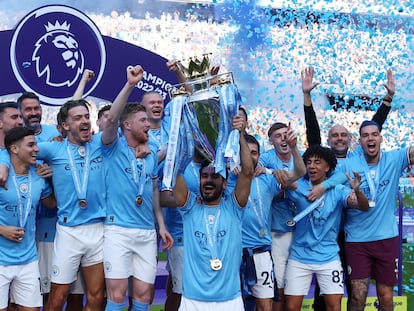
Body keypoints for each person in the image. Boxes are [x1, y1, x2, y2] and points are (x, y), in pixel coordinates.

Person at [301, 66, 395, 310]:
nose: (340, 138)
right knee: (326, 288)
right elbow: (313, 133)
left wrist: (387, 100)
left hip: (354, 231)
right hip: (328, 231)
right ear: (329, 140)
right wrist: (307, 98)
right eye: (335, 136)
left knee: (356, 289)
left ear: (352, 140)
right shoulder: (322, 160)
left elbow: (374, 126)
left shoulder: (357, 157)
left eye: (344, 135)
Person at [101, 65, 173, 311]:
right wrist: (130, 85)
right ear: (127, 125)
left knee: (144, 295)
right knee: (117, 296)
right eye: (143, 120)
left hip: (146, 233)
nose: (148, 125)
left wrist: (161, 226)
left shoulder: (150, 154)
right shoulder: (112, 147)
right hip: (118, 231)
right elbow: (110, 119)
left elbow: (153, 191)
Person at [173, 114, 253, 310]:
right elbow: (174, 170)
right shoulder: (189, 208)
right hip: (193, 301)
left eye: (215, 176)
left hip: (229, 301)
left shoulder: (233, 207)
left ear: (225, 183)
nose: (208, 180)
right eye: (204, 176)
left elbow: (248, 172)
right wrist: (180, 126)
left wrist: (240, 135)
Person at [36, 99, 106, 311]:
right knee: (57, 298)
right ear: (65, 126)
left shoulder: (101, 143)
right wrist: (37, 174)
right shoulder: (53, 148)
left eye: (86, 116)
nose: (84, 121)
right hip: (68, 231)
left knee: (96, 298)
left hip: (98, 229)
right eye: (77, 118)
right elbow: (18, 150)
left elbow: (119, 127)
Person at [283, 145, 370, 311]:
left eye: (317, 162)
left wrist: (357, 191)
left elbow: (363, 206)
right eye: (308, 162)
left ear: (327, 167)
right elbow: (282, 189)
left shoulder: (338, 190)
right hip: (299, 257)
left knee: (334, 307)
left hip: (328, 257)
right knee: (292, 307)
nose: (312, 166)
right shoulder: (299, 186)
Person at [340, 120, 414, 311]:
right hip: (357, 240)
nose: (370, 138)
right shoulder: (348, 165)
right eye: (365, 135)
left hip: (386, 238)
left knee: (386, 297)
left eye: (374, 134)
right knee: (357, 296)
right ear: (360, 141)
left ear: (381, 138)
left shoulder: (395, 158)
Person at [239, 131, 306, 311]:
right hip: (234, 252)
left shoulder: (268, 179)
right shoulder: (228, 178)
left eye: (254, 152)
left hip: (261, 251)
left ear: (259, 156)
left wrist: (293, 147)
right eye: (245, 151)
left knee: (265, 306)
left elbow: (299, 172)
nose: (250, 156)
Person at [0, 126, 56, 310]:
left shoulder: (39, 177)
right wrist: (1, 229)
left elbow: (53, 204)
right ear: (14, 149)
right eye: (31, 145)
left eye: (36, 144)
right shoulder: (2, 175)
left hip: (28, 260)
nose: (37, 149)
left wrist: (54, 177)